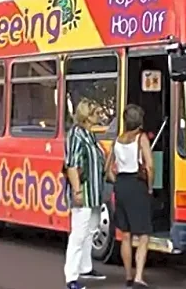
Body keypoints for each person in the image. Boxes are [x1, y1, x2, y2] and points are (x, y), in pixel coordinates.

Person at [106, 104, 154, 288]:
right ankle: (139, 276)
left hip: (121, 185)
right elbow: (149, 166)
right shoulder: (141, 138)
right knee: (143, 234)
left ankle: (127, 275)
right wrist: (149, 187)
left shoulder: (118, 139)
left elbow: (107, 169)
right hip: (136, 185)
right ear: (140, 121)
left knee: (125, 235)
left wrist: (116, 180)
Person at [63, 99, 108, 289]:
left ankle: (85, 267)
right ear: (86, 116)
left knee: (91, 229)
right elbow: (71, 164)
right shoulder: (76, 135)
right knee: (78, 235)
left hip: (95, 193)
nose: (100, 116)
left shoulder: (89, 135)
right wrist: (77, 191)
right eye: (96, 113)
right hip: (84, 192)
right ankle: (71, 277)